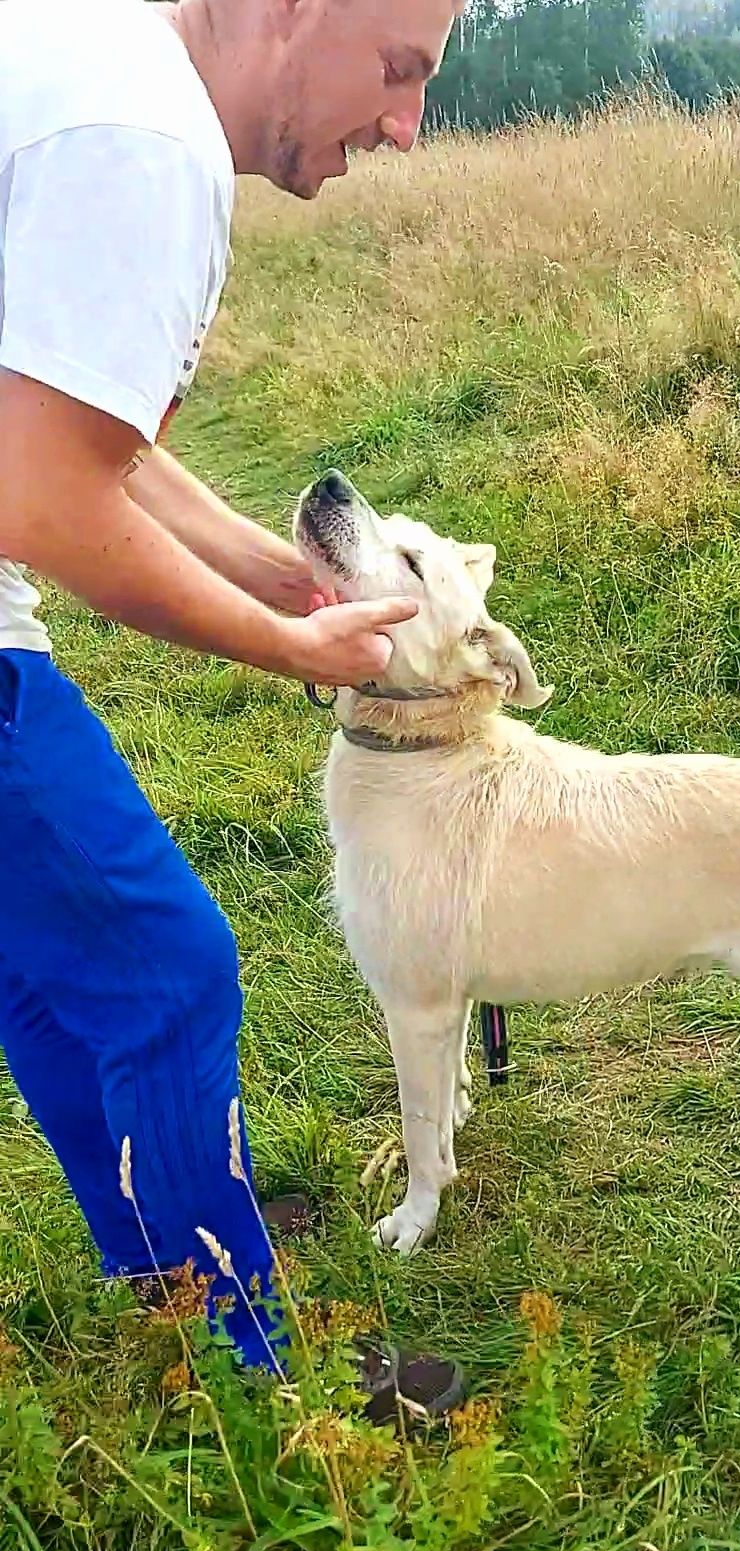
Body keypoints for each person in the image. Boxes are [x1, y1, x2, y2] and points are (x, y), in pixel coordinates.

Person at [0, 0, 464, 1419]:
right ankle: (265, 1390)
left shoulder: (89, 68)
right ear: (292, 11)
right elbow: (46, 493)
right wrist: (292, 645)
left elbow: (81, 429)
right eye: (399, 70)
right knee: (168, 970)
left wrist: (277, 568)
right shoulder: (145, 143)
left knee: (55, 972)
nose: (406, 124)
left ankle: (171, 1306)